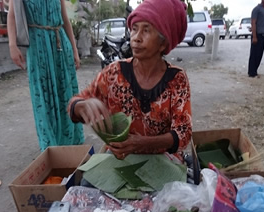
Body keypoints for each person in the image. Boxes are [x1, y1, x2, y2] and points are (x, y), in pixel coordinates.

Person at [68, 0, 192, 162]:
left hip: (163, 159)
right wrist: (80, 106)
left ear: (163, 43)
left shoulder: (176, 79)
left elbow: (183, 133)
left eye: (146, 31)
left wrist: (143, 144)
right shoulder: (114, 73)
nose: (136, 38)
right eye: (134, 29)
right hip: (120, 158)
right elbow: (75, 104)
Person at [7, 0, 84, 151]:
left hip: (60, 44)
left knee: (66, 93)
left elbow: (65, 20)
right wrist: (12, 45)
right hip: (38, 46)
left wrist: (74, 50)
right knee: (43, 95)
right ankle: (51, 143)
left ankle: (71, 138)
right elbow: (12, 16)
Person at [248, 0, 264, 78]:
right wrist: (254, 36)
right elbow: (253, 22)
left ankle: (255, 71)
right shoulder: (257, 9)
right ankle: (251, 72)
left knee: (259, 55)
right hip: (257, 35)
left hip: (263, 35)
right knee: (254, 54)